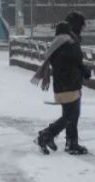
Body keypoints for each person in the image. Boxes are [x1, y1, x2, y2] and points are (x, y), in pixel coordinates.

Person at [31, 11, 91, 155]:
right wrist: (86, 72)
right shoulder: (70, 43)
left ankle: (70, 142)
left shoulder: (58, 42)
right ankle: (47, 135)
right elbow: (77, 61)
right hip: (70, 84)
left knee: (69, 115)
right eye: (81, 27)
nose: (81, 31)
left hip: (61, 84)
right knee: (71, 116)